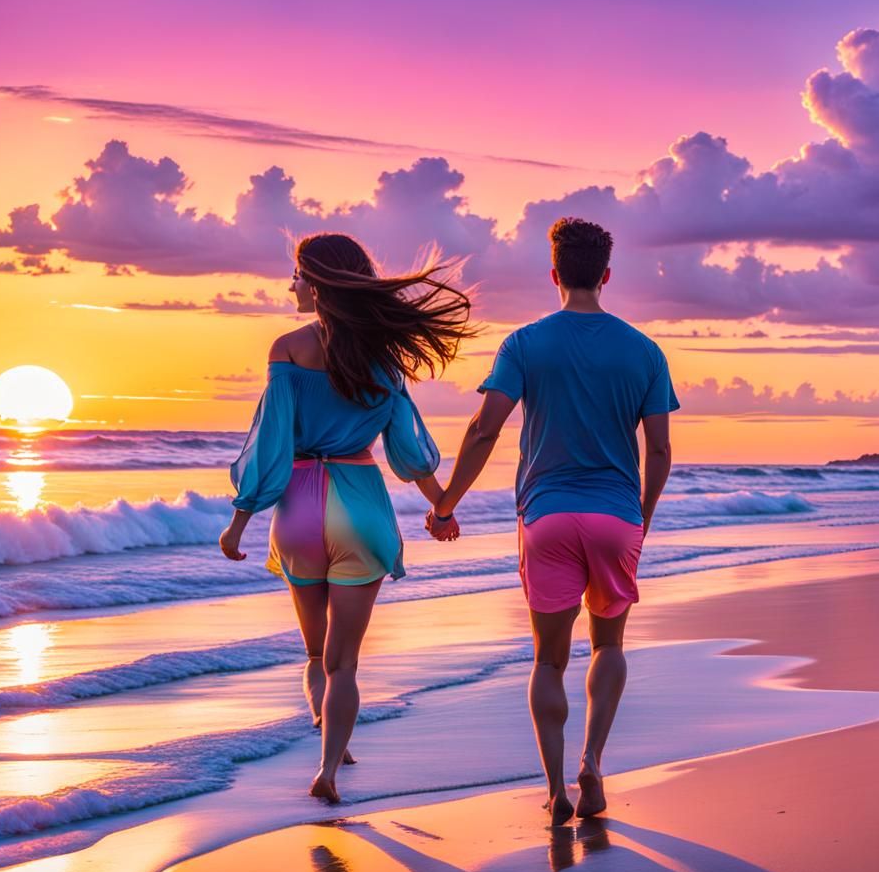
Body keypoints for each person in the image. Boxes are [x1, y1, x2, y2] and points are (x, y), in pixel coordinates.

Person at [427, 217, 678, 825]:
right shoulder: (645, 351)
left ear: (554, 274)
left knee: (548, 660)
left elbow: (484, 429)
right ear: (607, 275)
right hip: (616, 516)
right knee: (608, 645)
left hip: (546, 517)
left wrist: (446, 502)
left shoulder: (524, 344)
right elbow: (660, 450)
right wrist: (640, 518)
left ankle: (555, 788)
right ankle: (593, 762)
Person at [220, 233, 470, 803]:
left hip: (299, 512)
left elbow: (270, 445)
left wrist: (239, 521)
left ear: (318, 283)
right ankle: (329, 769)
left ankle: (327, 726)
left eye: (297, 275)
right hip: (360, 507)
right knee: (344, 663)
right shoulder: (384, 359)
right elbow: (407, 451)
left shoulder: (287, 349)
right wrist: (441, 506)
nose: (291, 285)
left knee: (317, 654)